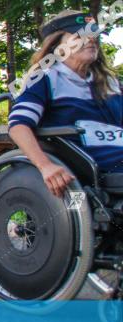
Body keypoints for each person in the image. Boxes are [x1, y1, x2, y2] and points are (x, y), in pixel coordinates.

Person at [9, 10, 123, 196]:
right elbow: (18, 126)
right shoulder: (45, 78)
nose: (91, 39)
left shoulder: (111, 83)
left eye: (93, 34)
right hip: (91, 166)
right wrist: (45, 166)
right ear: (57, 45)